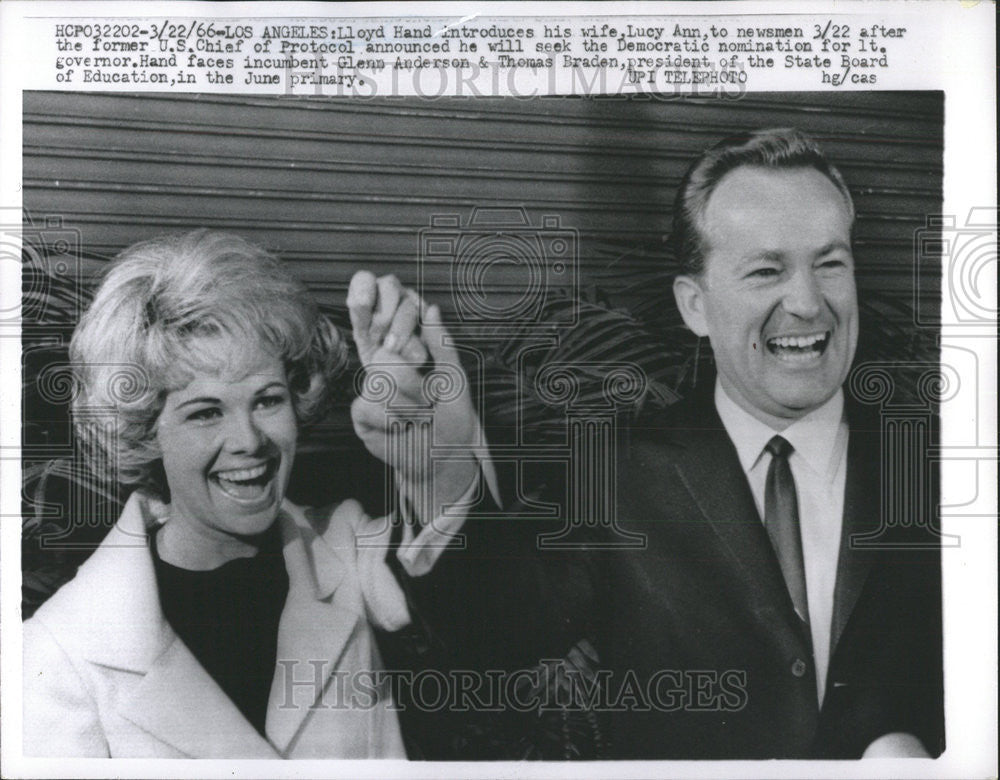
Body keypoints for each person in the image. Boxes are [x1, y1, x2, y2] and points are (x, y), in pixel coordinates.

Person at [352, 128, 944, 759]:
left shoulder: (935, 461)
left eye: (829, 263)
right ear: (694, 306)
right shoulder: (619, 471)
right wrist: (439, 474)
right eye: (766, 270)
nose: (806, 303)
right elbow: (494, 635)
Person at [21, 229, 481, 758]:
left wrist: (438, 466)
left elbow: (497, 620)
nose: (249, 441)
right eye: (206, 412)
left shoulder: (346, 546)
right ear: (145, 430)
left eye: (267, 400)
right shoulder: (60, 652)